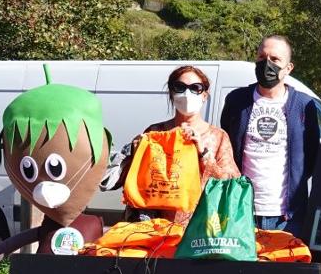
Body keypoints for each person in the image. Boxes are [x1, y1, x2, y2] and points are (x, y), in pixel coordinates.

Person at [102, 65, 240, 224]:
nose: (187, 94)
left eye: (196, 88)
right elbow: (130, 180)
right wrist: (133, 153)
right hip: (153, 227)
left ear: (205, 95)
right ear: (171, 94)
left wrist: (204, 154)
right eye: (180, 87)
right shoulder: (154, 132)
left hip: (199, 228)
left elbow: (232, 183)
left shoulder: (217, 137)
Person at [220, 35, 321, 239]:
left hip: (287, 218)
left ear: (289, 68)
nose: (266, 63)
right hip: (241, 212)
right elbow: (227, 148)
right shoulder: (237, 101)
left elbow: (311, 157)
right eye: (261, 57)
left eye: (275, 59)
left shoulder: (304, 105)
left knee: (283, 271)